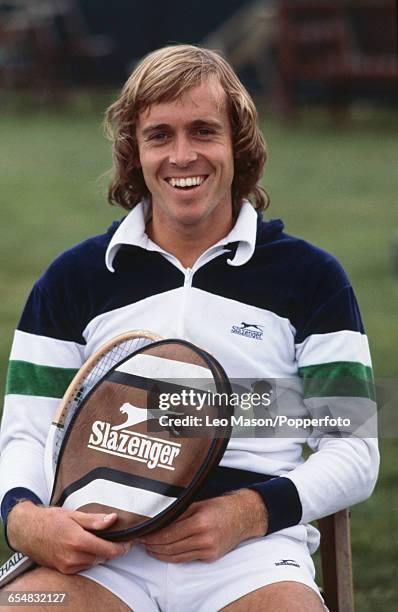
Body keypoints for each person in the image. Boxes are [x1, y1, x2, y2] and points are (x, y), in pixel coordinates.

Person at [0, 45, 378, 611]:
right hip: (103, 552)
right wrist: (25, 518)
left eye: (204, 131)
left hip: (249, 554)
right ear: (135, 152)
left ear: (237, 145)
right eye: (159, 136)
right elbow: (26, 432)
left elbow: (353, 449)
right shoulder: (74, 279)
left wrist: (249, 513)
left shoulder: (311, 278)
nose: (182, 156)